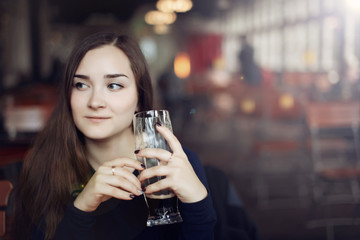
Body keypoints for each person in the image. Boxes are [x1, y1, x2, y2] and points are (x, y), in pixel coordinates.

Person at [11, 32, 216, 240]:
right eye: (81, 85)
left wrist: (198, 203)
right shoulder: (43, 167)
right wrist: (82, 207)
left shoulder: (176, 166)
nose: (95, 102)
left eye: (113, 85)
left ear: (139, 97)